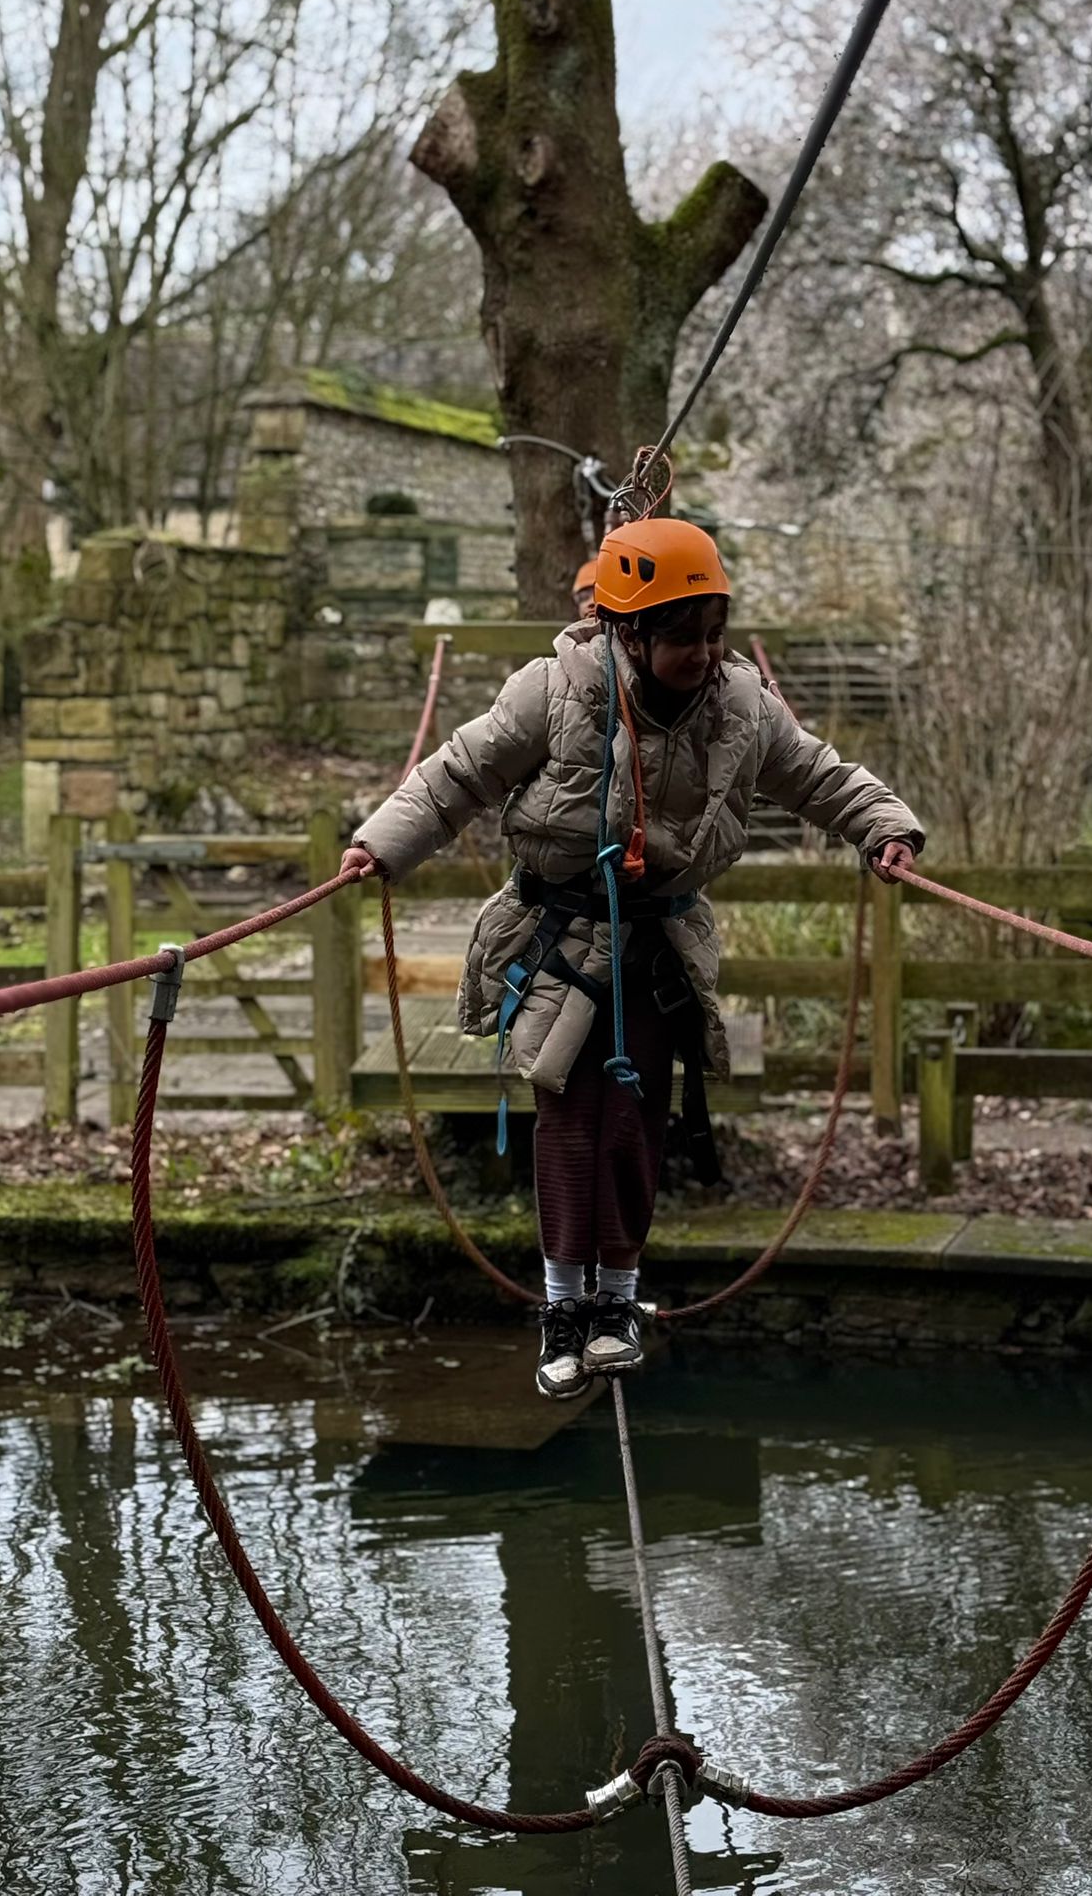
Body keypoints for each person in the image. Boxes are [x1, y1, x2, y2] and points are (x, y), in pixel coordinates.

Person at [338, 517, 923, 1399]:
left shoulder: (742, 706)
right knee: (569, 1117)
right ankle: (562, 1308)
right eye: (684, 636)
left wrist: (884, 827)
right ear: (630, 633)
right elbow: (459, 772)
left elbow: (816, 774)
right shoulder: (553, 690)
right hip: (560, 936)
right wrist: (381, 845)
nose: (704, 653)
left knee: (636, 1118)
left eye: (715, 633)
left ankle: (616, 1301)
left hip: (657, 944)